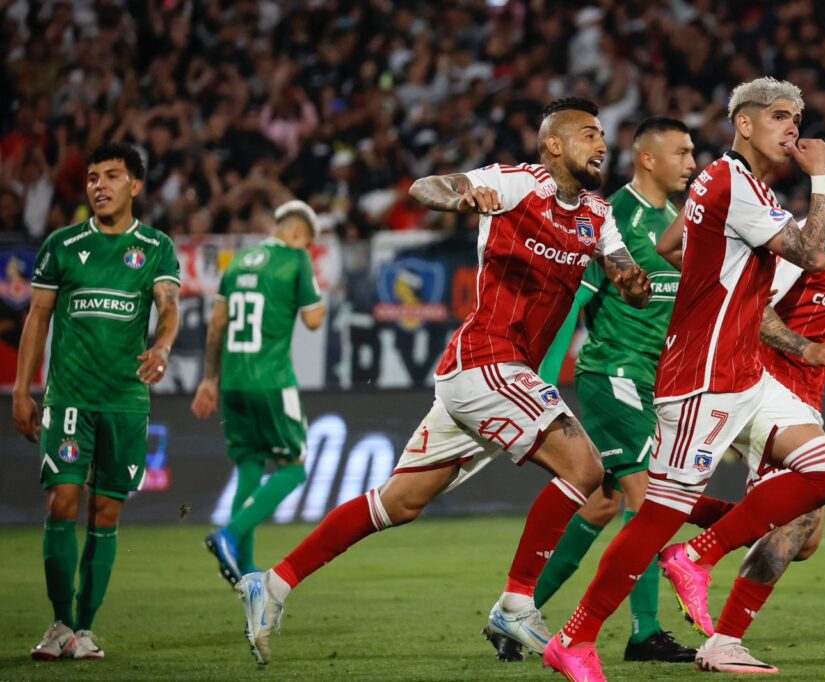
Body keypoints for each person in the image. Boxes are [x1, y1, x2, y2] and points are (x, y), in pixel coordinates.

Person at [234, 97, 653, 665]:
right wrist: (463, 196)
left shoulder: (597, 215)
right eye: (587, 134)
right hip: (488, 361)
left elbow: (622, 264)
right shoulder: (513, 184)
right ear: (553, 144)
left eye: (603, 134)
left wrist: (632, 282)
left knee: (399, 502)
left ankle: (273, 583)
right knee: (586, 470)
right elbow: (424, 187)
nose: (602, 144)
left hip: (489, 377)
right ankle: (515, 603)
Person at [543, 76, 825, 680]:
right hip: (702, 378)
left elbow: (674, 244)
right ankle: (573, 640)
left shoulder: (720, 181)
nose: (793, 127)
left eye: (798, 117)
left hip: (743, 372)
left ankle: (698, 555)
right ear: (745, 124)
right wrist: (820, 176)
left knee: (823, 473)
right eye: (781, 116)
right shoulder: (735, 184)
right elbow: (816, 255)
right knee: (653, 516)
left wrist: (720, 287)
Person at [486, 117, 724, 664]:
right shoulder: (614, 215)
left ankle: (515, 613)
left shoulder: (671, 222)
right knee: (649, 502)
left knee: (602, 504)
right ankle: (644, 634)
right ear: (648, 159)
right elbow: (572, 299)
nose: (693, 163)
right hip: (614, 374)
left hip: (657, 383)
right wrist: (539, 376)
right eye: (682, 153)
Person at [672, 128, 825, 673]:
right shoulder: (805, 239)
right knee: (797, 518)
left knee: (805, 538)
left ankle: (670, 511)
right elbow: (757, 312)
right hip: (761, 381)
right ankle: (722, 636)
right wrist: (807, 347)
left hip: (809, 394)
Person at [12, 142, 181, 661]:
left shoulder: (154, 246)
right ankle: (60, 623)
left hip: (125, 402)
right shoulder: (62, 245)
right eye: (91, 178)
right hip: (70, 400)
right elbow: (37, 317)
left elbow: (168, 306)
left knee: (105, 513)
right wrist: (22, 389)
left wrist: (162, 346)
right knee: (62, 500)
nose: (99, 186)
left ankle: (85, 629)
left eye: (111, 175)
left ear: (136, 185)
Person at [191, 200, 325, 585]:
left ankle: (243, 570)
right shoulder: (297, 261)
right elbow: (314, 321)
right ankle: (229, 535)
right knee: (294, 468)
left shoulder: (237, 261)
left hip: (231, 382)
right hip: (271, 381)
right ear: (299, 235)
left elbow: (217, 326)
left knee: (250, 464)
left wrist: (209, 379)